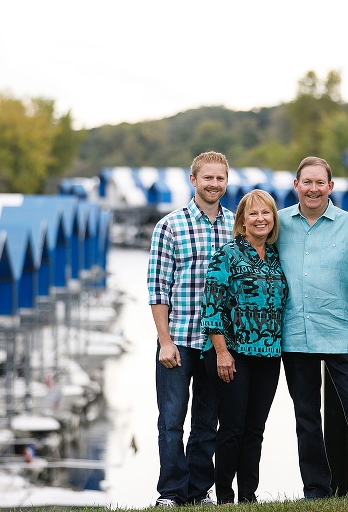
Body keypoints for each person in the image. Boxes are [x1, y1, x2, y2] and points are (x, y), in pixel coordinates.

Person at [276, 156, 348, 500]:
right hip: (294, 336)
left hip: (343, 335)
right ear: (296, 185)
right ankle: (317, 491)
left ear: (331, 187)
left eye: (320, 183)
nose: (313, 189)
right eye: (307, 182)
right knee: (306, 417)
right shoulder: (278, 224)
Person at [147, 150, 235, 507]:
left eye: (220, 178)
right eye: (208, 178)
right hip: (179, 342)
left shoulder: (236, 225)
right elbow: (158, 288)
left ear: (226, 182)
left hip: (218, 345)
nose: (214, 184)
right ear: (193, 179)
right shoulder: (170, 225)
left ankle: (198, 492)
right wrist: (164, 340)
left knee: (206, 423)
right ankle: (170, 494)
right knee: (170, 421)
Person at [200, 189, 288, 505]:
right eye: (253, 214)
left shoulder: (278, 256)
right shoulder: (227, 255)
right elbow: (211, 307)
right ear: (242, 221)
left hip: (269, 355)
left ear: (273, 219)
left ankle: (248, 496)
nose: (260, 219)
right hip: (232, 354)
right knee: (232, 428)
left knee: (255, 430)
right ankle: (224, 495)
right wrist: (221, 352)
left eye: (266, 213)